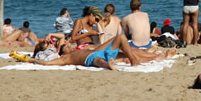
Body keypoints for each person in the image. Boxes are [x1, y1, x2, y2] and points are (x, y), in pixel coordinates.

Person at [10, 34, 141, 70]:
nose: (67, 45)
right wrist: (31, 60)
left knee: (121, 37)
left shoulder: (74, 50)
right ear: (62, 52)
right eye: (64, 46)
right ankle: (108, 66)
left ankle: (134, 61)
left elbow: (62, 37)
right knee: (98, 61)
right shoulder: (65, 58)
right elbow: (46, 64)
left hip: (101, 52)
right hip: (90, 59)